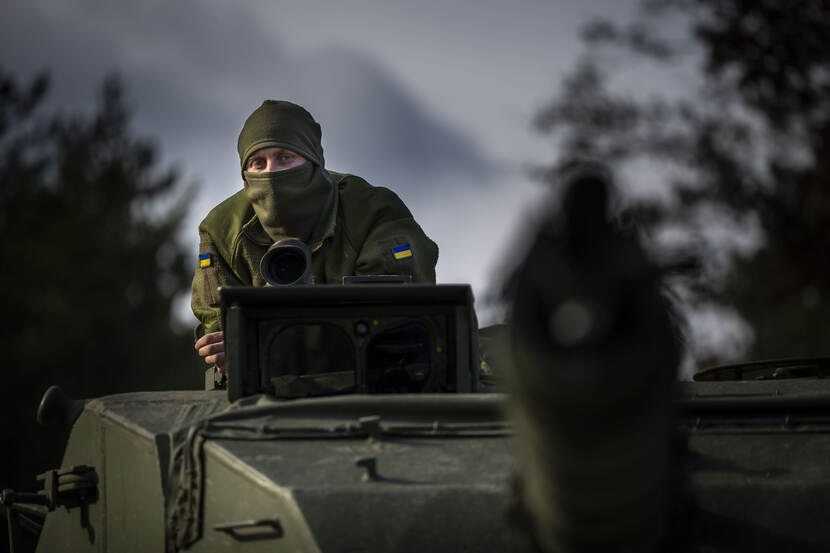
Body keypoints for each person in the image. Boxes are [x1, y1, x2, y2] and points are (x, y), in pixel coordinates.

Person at [192, 100, 439, 371]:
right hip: (264, 396)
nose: (271, 172)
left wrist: (267, 341)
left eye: (285, 157)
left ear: (312, 160)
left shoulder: (373, 213)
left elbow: (395, 323)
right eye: (258, 163)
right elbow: (220, 330)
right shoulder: (221, 230)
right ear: (244, 172)